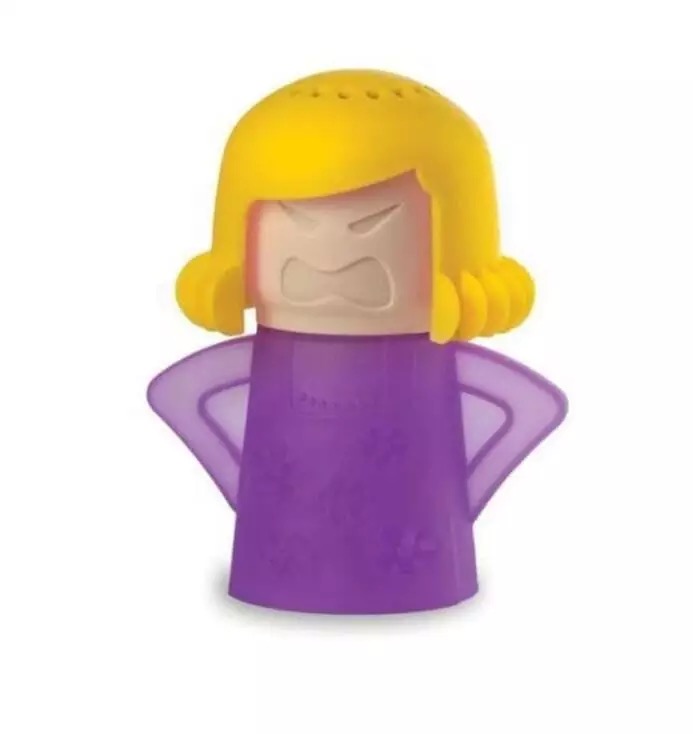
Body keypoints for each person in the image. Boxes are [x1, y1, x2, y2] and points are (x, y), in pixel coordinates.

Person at [148, 69, 567, 613]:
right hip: (294, 561)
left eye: (374, 221)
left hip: (414, 565)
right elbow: (521, 408)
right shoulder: (262, 347)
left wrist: (459, 489)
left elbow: (190, 397)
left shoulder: (434, 340)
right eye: (296, 218)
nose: (329, 251)